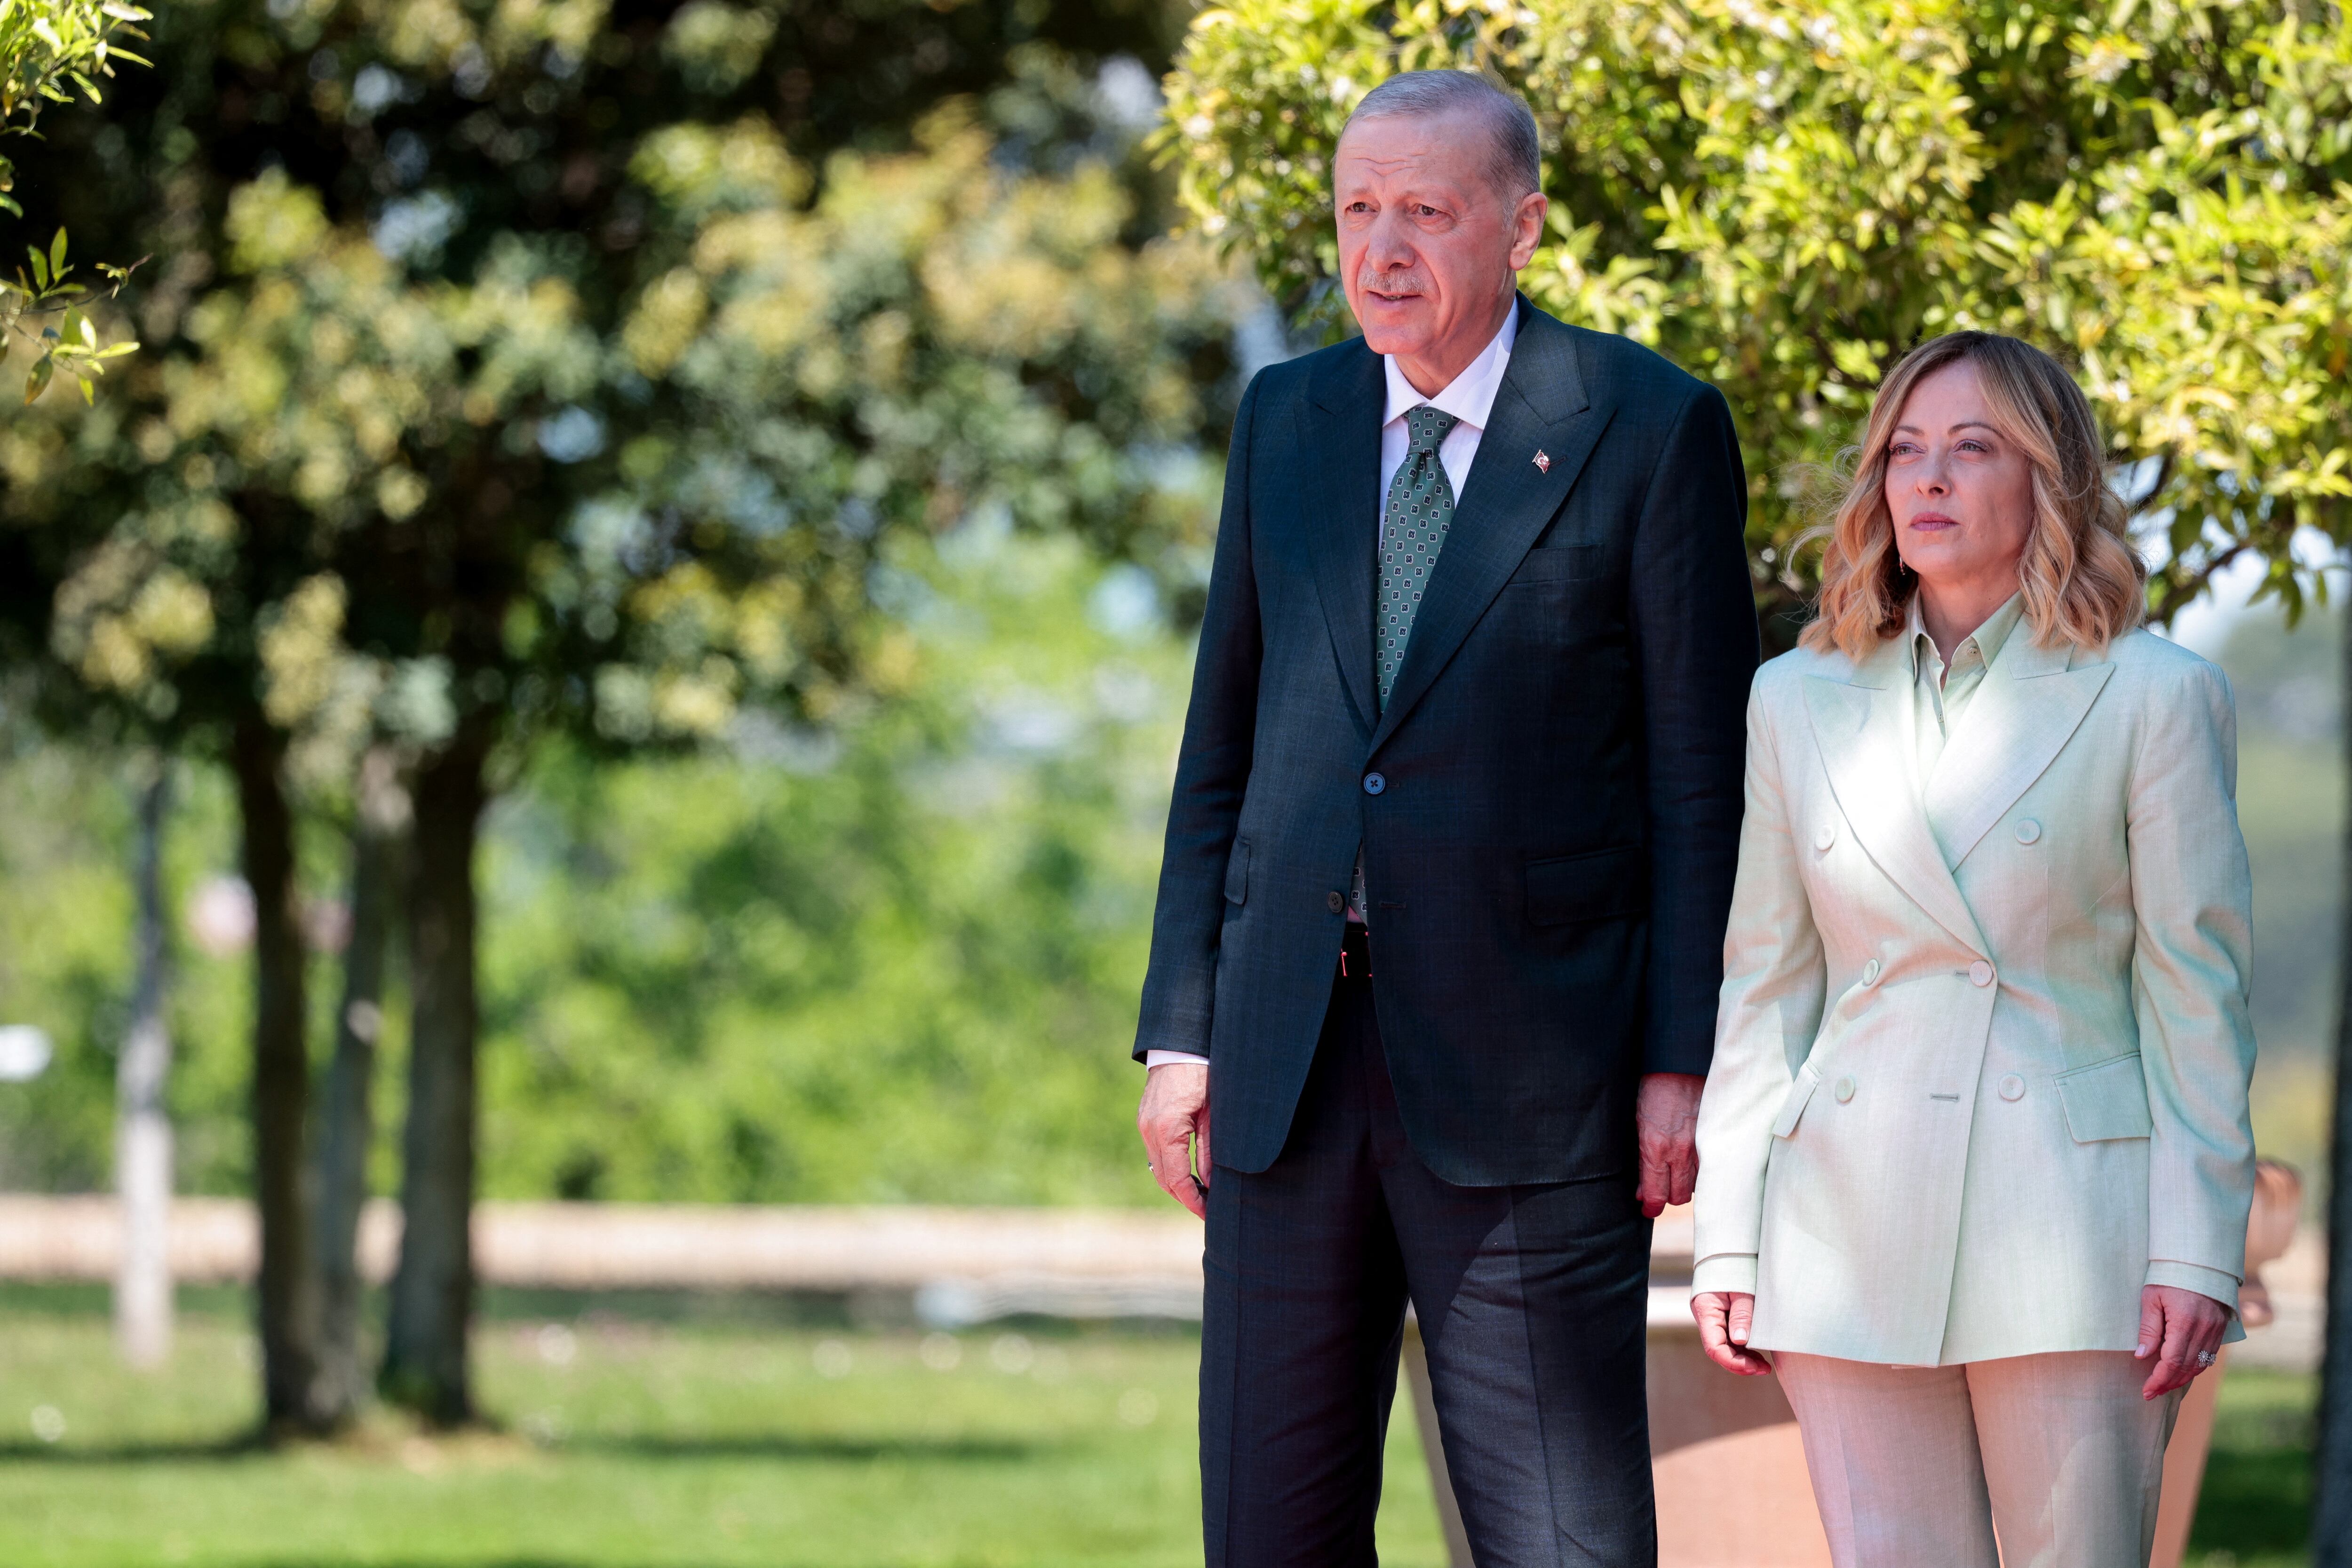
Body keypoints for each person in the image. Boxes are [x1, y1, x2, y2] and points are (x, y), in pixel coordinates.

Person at [1131, 69, 1757, 1566]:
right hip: (1286, 1071)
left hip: (1535, 1083)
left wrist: (1682, 1060)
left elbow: (1698, 780)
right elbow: (1225, 741)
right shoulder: (1287, 418)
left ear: (1523, 225)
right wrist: (1184, 1026)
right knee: (1269, 1536)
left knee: (1562, 1541)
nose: (1382, 249)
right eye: (1358, 210)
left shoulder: (1648, 427)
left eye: (1427, 209)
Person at [1688, 331, 2257, 1567]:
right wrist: (1730, 1231)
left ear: (2047, 482)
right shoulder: (1796, 697)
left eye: (1973, 449)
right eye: (1906, 450)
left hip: (2074, 1231)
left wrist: (2196, 1247)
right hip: (1846, 1217)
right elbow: (1768, 984)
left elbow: (2195, 995)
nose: (1928, 479)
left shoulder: (2154, 694)